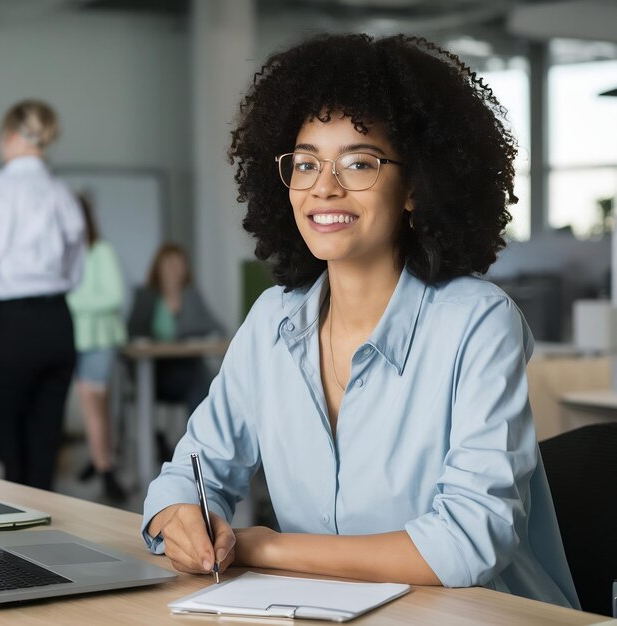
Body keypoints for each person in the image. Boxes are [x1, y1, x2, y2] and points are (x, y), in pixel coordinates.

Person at [141, 34, 579, 608]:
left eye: (359, 162)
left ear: (416, 187)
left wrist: (261, 548)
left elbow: (468, 543)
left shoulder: (476, 323)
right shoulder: (272, 321)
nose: (325, 185)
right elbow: (188, 475)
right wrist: (181, 521)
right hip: (322, 613)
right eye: (306, 162)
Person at [0, 100, 85, 490]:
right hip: (58, 323)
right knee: (44, 444)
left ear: (10, 136)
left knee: (6, 442)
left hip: (14, 325)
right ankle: (40, 545)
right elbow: (76, 269)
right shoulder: (62, 193)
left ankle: (8, 545)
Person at [128, 243, 223, 458]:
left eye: (179, 264)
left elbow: (217, 328)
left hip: (187, 369)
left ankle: (201, 450)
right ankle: (198, 450)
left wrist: (198, 339)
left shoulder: (192, 296)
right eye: (169, 264)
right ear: (158, 268)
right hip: (154, 373)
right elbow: (132, 332)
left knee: (203, 382)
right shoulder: (147, 296)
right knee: (200, 383)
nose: (175, 269)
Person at [67, 193, 127, 502]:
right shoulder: (63, 253)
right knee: (93, 408)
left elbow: (114, 297)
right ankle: (102, 462)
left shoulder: (100, 251)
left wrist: (71, 302)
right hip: (73, 340)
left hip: (100, 339)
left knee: (97, 406)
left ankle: (104, 467)